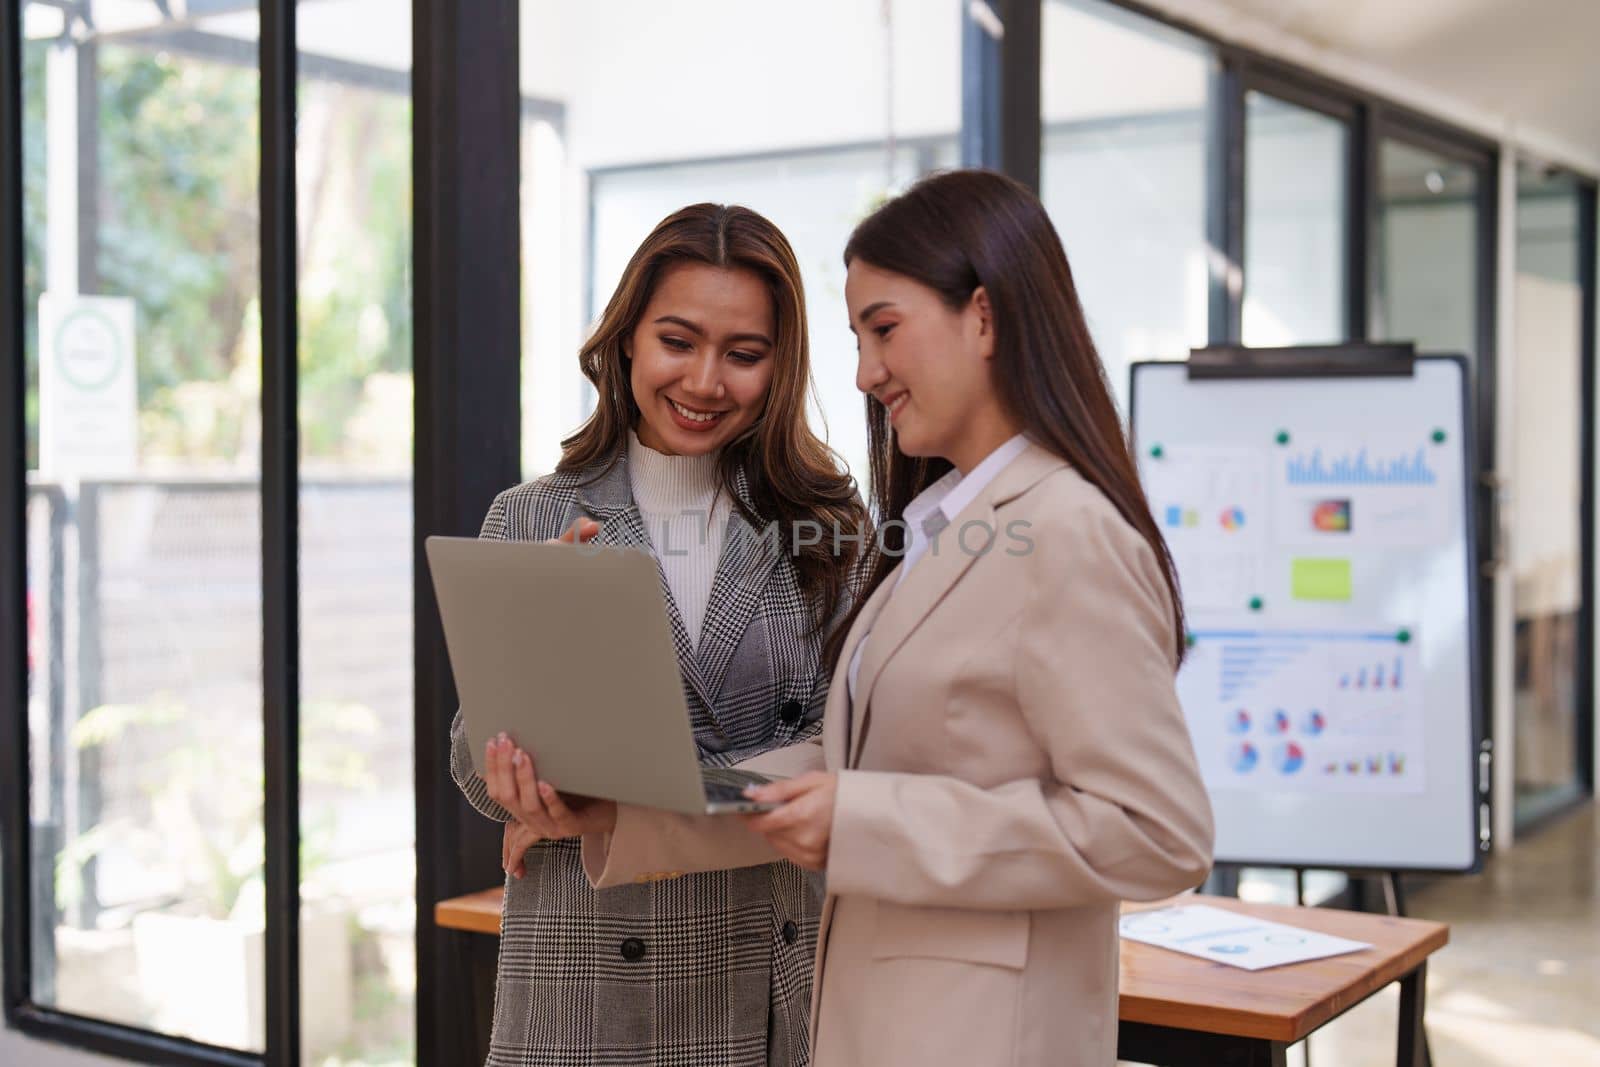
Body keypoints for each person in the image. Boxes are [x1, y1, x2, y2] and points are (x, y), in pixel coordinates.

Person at [583, 170, 1215, 1067]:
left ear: (985, 318)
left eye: (884, 328)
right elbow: (848, 771)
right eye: (856, 336)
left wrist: (867, 823)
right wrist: (623, 813)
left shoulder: (1067, 532)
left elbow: (1159, 833)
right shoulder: (943, 526)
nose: (865, 371)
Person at [449, 202, 868, 1067]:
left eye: (744, 353)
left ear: (780, 365)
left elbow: (853, 752)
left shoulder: (831, 527)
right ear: (628, 339)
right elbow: (473, 763)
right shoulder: (533, 514)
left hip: (766, 971)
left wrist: (630, 810)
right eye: (678, 341)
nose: (707, 381)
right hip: (582, 989)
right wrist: (521, 774)